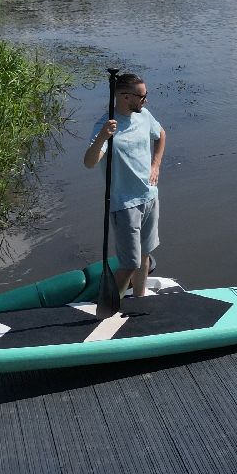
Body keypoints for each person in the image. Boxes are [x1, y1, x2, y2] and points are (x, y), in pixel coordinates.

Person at [83, 72, 166, 311]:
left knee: (145, 256)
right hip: (125, 204)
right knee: (129, 263)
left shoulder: (144, 116)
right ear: (124, 96)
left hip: (150, 197)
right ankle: (107, 312)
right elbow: (89, 162)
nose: (146, 101)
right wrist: (102, 137)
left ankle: (139, 300)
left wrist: (156, 164)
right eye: (142, 96)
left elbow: (160, 134)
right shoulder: (106, 125)